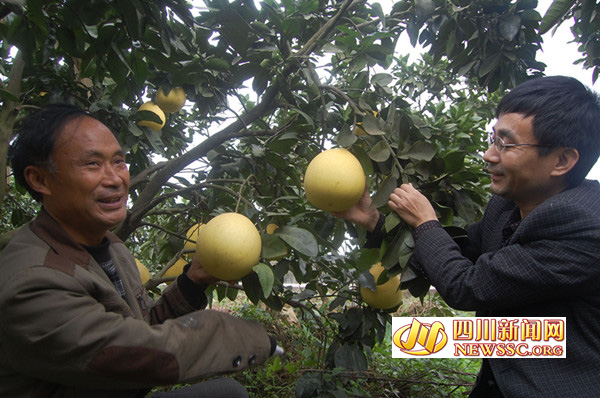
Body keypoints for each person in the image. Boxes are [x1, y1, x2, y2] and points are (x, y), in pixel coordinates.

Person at [334, 76, 600, 397]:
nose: (489, 154)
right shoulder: (507, 206)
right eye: (493, 138)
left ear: (562, 160)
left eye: (506, 143)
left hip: (555, 384)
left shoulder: (583, 226)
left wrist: (425, 220)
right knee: (414, 338)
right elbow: (456, 252)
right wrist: (375, 220)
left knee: (417, 338)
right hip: (520, 353)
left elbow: (466, 285)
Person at [0, 104, 281, 397]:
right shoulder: (31, 280)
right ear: (40, 179)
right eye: (92, 164)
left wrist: (193, 280)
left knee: (228, 394)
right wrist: (237, 336)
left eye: (119, 162)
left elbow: (140, 328)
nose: (115, 179)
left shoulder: (113, 249)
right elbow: (131, 355)